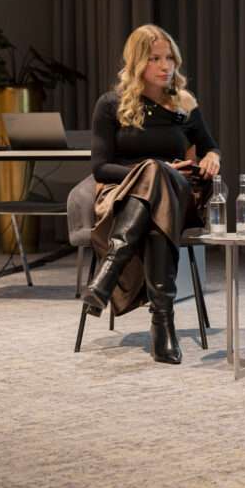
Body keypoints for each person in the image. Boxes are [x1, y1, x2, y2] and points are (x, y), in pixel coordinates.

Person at [83, 24, 220, 365]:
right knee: (155, 180)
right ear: (136, 62)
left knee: (160, 177)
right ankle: (164, 325)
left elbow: (209, 147)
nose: (165, 66)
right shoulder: (110, 104)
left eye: (169, 57)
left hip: (181, 197)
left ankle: (109, 273)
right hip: (122, 197)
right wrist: (150, 171)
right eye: (155, 58)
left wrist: (212, 157)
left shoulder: (184, 104)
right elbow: (101, 168)